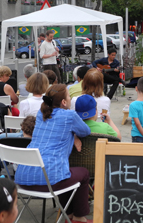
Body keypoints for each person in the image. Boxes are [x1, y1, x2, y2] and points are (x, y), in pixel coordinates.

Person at [15, 84, 92, 223]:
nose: (70, 99)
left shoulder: (41, 114)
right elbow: (86, 131)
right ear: (64, 102)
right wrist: (74, 134)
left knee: (64, 172)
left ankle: (68, 213)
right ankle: (79, 217)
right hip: (48, 181)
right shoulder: (70, 115)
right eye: (69, 97)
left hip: (22, 178)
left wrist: (72, 134)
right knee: (82, 173)